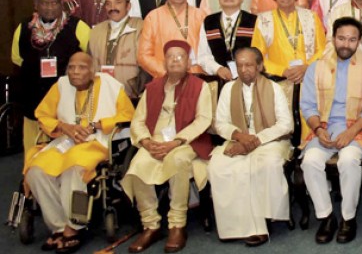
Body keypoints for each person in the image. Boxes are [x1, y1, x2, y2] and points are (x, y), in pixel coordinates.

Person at [24, 53, 134, 254]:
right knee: (36, 171)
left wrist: (97, 125)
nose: (75, 72)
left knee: (74, 169)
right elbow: (42, 114)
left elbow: (128, 115)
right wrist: (63, 126)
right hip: (65, 140)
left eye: (82, 67)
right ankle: (59, 226)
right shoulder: (61, 85)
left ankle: (75, 226)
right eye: (71, 67)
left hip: (97, 141)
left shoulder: (110, 85)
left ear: (92, 71)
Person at [124, 40, 213, 253]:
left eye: (180, 56)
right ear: (164, 62)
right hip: (154, 141)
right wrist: (146, 142)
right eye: (170, 57)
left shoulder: (200, 86)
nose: (175, 60)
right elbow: (137, 121)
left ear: (189, 62)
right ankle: (150, 224)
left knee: (177, 160)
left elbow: (203, 119)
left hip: (187, 141)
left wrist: (176, 142)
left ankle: (177, 224)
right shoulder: (152, 88)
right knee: (137, 165)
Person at [300, 17, 362, 244]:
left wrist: (350, 132)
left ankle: (348, 218)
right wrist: (318, 129)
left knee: (348, 160)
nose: (346, 44)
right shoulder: (316, 68)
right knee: (310, 161)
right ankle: (326, 217)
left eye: (352, 39)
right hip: (324, 128)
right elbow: (307, 105)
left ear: (359, 41)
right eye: (342, 38)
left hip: (357, 130)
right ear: (333, 38)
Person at [208, 47, 293, 246]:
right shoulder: (228, 89)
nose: (244, 70)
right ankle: (234, 225)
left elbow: (285, 124)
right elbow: (220, 123)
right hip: (238, 139)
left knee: (264, 164)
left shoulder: (274, 88)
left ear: (260, 66)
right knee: (218, 166)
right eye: (239, 65)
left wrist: (253, 141)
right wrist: (239, 136)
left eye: (248, 65)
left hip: (270, 140)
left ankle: (261, 224)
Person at [11, 0, 90, 151]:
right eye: (44, 3)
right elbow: (17, 58)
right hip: (33, 100)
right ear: (36, 6)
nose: (49, 7)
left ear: (62, 5)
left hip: (66, 100)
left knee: (65, 149)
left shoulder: (78, 26)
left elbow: (90, 59)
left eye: (54, 3)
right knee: (34, 149)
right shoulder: (23, 27)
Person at [250, 0, 326, 84]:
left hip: (308, 79)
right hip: (277, 82)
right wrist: (283, 71)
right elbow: (257, 56)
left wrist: (307, 67)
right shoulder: (263, 20)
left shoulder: (311, 17)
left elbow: (322, 50)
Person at [138, 0, 206, 78]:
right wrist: (169, 72)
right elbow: (143, 55)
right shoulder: (153, 17)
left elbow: (209, 52)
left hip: (197, 76)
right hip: (165, 78)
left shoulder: (201, 16)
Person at [87, 0, 146, 100]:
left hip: (131, 96)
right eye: (108, 4)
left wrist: (137, 90)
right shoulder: (96, 31)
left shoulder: (142, 27)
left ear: (128, 6)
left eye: (118, 2)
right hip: (101, 95)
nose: (112, 7)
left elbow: (147, 66)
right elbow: (89, 62)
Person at [197, 0, 257, 81]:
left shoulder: (254, 21)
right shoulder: (209, 22)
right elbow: (203, 55)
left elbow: (260, 53)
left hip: (249, 79)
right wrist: (217, 69)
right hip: (218, 79)